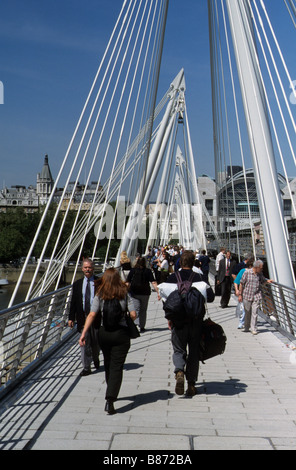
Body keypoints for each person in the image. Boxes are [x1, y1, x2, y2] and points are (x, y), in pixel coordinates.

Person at [79, 268, 137, 415]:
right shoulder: (124, 293)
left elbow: (92, 314)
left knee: (109, 364)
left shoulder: (100, 294)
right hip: (121, 334)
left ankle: (110, 388)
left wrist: (84, 333)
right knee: (117, 366)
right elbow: (134, 314)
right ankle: (110, 399)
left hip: (104, 334)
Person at [165, 251, 215, 397]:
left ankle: (179, 370)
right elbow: (210, 297)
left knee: (179, 349)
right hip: (196, 322)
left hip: (178, 322)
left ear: (180, 263)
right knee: (194, 352)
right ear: (194, 263)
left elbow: (167, 301)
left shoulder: (172, 278)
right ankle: (191, 384)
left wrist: (170, 319)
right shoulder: (200, 278)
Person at [68, 258, 100, 376]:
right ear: (82, 269)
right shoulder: (77, 284)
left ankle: (96, 358)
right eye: (85, 267)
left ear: (93, 268)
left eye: (90, 267)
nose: (88, 269)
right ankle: (86, 367)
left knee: (96, 343)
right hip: (83, 317)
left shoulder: (99, 282)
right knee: (84, 342)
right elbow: (74, 302)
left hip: (96, 317)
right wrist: (71, 318)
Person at [238, 260, 273, 335]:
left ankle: (254, 328)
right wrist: (240, 294)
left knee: (255, 312)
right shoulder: (247, 273)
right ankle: (247, 327)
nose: (262, 269)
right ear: (256, 267)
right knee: (247, 311)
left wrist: (268, 281)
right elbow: (241, 283)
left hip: (256, 295)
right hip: (247, 295)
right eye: (261, 268)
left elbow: (263, 281)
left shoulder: (260, 274)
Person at [127, 257, 160, 332]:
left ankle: (137, 324)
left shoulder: (133, 270)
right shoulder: (148, 271)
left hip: (134, 292)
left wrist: (125, 291)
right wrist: (158, 292)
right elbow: (153, 282)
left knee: (136, 309)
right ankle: (142, 326)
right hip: (145, 293)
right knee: (143, 310)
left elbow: (128, 282)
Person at [233, 257, 254, 329]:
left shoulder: (255, 273)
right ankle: (242, 322)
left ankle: (248, 323)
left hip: (252, 293)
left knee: (250, 309)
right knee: (244, 309)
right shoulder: (243, 271)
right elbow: (236, 281)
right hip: (244, 293)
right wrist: (237, 291)